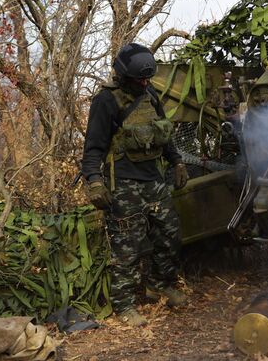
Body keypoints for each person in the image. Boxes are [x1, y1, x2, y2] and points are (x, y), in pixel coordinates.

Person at [81, 43, 189, 326]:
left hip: (154, 179)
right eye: (139, 79)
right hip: (124, 185)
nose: (144, 83)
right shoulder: (106, 101)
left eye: (147, 79)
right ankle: (124, 305)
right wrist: (94, 181)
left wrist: (176, 162)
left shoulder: (149, 93)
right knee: (126, 248)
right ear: (124, 76)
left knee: (170, 235)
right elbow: (93, 148)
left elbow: (164, 133)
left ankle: (159, 284)